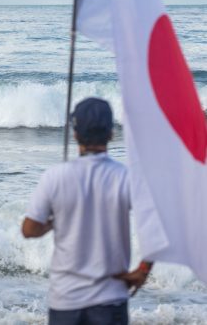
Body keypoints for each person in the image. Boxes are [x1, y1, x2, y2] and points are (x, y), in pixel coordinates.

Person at [21, 97, 153, 325]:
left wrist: (54, 222)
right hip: (110, 299)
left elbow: (29, 229)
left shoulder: (55, 177)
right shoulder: (126, 178)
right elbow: (157, 225)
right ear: (111, 133)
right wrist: (143, 270)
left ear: (75, 134)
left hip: (65, 301)